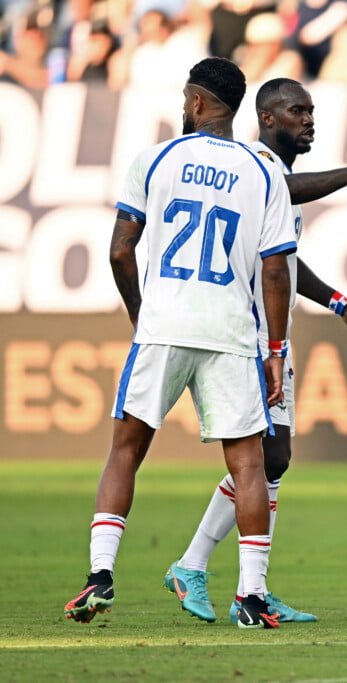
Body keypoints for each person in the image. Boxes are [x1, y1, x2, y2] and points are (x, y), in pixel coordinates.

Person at [164, 77, 347, 625]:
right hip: (243, 337)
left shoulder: (274, 176)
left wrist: (342, 305)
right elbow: (291, 194)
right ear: (269, 118)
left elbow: (282, 264)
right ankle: (227, 582)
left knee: (273, 460)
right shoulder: (255, 166)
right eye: (298, 111)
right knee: (266, 458)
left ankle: (215, 574)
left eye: (312, 110)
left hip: (271, 336)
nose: (309, 120)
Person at [63, 57, 296, 629]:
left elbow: (121, 249)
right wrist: (275, 351)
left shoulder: (157, 158)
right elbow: (274, 271)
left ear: (195, 102)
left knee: (125, 450)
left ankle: (100, 576)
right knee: (247, 463)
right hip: (231, 332)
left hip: (164, 327)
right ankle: (252, 595)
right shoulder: (261, 171)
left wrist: (142, 314)